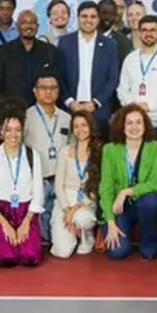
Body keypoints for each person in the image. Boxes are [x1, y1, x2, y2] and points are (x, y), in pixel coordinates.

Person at [100, 104, 157, 260]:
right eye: (129, 122)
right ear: (122, 126)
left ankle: (148, 241)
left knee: (151, 200)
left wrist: (126, 192)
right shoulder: (110, 149)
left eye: (138, 122)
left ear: (145, 126)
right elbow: (106, 188)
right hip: (119, 208)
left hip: (144, 203)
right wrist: (110, 222)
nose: (134, 127)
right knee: (117, 252)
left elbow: (156, 182)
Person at [0, 109, 45, 267]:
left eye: (17, 130)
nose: (13, 134)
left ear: (23, 131)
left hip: (26, 211)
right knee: (5, 259)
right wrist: (5, 224)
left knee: (31, 257)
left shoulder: (32, 155)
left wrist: (26, 222)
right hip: (1, 212)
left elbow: (38, 191)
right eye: (8, 130)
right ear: (1, 132)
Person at [23, 74, 71, 247]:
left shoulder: (66, 118)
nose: (48, 92)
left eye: (53, 88)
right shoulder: (26, 117)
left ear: (58, 92)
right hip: (38, 179)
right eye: (44, 88)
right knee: (41, 224)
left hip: (61, 179)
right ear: (35, 92)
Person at [58, 1, 119, 135]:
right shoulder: (65, 42)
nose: (88, 20)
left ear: (98, 19)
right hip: (70, 110)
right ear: (78, 18)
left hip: (99, 112)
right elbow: (59, 76)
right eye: (84, 16)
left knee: (98, 153)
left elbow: (113, 79)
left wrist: (95, 103)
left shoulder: (110, 45)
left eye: (93, 16)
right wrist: (70, 102)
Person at [116, 15, 157, 136]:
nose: (148, 34)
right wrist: (134, 106)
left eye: (152, 30)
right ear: (139, 33)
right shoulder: (130, 58)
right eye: (144, 30)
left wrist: (149, 106)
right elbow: (122, 90)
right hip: (134, 123)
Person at [51, 111, 101, 258]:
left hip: (87, 200)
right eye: (76, 126)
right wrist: (67, 210)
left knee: (82, 219)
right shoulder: (65, 151)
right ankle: (71, 235)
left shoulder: (100, 151)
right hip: (65, 199)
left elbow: (98, 186)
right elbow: (58, 185)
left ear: (91, 126)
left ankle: (87, 236)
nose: (81, 130)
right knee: (62, 252)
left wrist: (76, 209)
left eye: (84, 125)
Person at [0, 10, 59, 107]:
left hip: (42, 112)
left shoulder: (50, 51)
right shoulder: (3, 51)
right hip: (12, 112)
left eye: (32, 23)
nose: (29, 26)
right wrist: (6, 108)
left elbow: (57, 84)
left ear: (38, 26)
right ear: (17, 26)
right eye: (24, 23)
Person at [97, 0, 133, 70]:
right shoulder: (86, 37)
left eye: (111, 14)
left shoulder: (124, 42)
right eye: (104, 13)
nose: (107, 17)